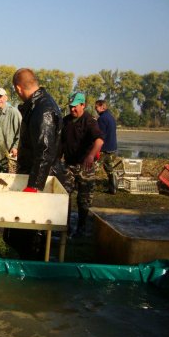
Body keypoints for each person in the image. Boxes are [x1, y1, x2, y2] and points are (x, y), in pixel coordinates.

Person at [4, 68, 71, 259]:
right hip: (37, 173)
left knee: (35, 234)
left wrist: (34, 186)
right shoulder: (37, 106)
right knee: (20, 233)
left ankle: (36, 268)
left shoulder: (44, 110)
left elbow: (45, 151)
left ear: (18, 88)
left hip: (45, 177)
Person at [62, 92, 104, 238]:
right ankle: (64, 227)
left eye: (75, 107)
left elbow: (99, 140)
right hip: (68, 165)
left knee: (84, 199)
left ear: (83, 105)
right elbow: (60, 142)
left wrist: (91, 155)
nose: (72, 109)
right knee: (64, 196)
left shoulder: (90, 121)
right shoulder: (66, 121)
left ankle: (81, 227)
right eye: (70, 107)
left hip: (85, 166)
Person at [0, 88, 22, 172]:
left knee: (9, 180)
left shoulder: (13, 112)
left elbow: (21, 132)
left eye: (0, 97)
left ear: (6, 98)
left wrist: (15, 147)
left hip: (9, 155)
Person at [95, 99, 118, 194]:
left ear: (102, 107)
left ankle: (88, 187)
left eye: (96, 107)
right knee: (110, 169)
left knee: (93, 168)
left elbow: (100, 134)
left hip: (103, 148)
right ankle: (113, 188)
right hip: (112, 147)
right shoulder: (111, 117)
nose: (95, 110)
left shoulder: (102, 119)